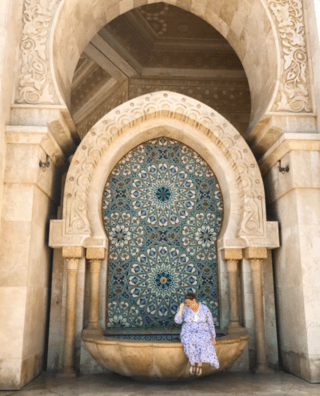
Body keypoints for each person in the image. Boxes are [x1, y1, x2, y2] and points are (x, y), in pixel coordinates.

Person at [174, 292, 219, 376]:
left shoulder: (204, 308)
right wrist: (180, 309)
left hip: (203, 331)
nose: (187, 304)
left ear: (194, 300)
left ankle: (199, 364)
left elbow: (210, 322)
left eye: (188, 303)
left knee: (203, 340)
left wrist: (213, 337)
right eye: (186, 303)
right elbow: (177, 321)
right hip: (188, 331)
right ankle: (192, 362)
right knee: (189, 340)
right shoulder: (185, 309)